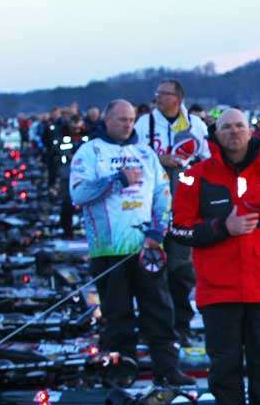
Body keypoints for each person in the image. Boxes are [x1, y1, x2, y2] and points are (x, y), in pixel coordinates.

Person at [170, 108, 260, 405]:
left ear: (249, 130)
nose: (233, 132)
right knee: (224, 368)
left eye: (239, 126)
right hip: (219, 291)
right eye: (226, 127)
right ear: (216, 133)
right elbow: (179, 229)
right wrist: (221, 228)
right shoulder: (195, 176)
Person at [70, 99, 193, 386]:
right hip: (108, 250)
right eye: (121, 119)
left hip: (147, 249)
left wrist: (157, 232)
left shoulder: (146, 153)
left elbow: (163, 194)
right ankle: (121, 369)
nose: (127, 125)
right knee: (117, 314)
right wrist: (117, 180)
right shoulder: (89, 152)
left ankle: (167, 368)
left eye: (131, 120)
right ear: (107, 119)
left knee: (160, 310)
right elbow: (78, 194)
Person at [133, 78, 211, 346]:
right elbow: (135, 156)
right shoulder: (145, 124)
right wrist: (160, 160)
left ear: (177, 98)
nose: (158, 98)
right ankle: (152, 326)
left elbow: (208, 161)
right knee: (151, 268)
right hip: (152, 209)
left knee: (181, 269)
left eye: (164, 94)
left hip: (185, 208)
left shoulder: (195, 126)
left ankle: (182, 325)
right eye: (157, 94)